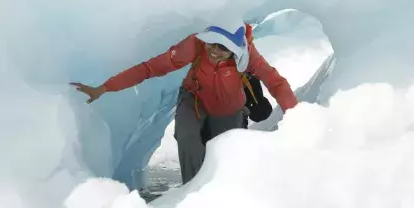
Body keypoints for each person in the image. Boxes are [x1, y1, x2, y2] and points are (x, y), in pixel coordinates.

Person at [71, 21, 298, 184]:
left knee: (226, 154)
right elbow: (150, 68)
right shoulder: (195, 45)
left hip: (230, 109)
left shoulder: (249, 56)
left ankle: (224, 198)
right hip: (194, 100)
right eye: (213, 43)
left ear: (236, 51)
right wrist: (105, 87)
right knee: (188, 136)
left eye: (223, 48)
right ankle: (193, 192)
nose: (215, 52)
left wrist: (299, 117)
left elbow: (276, 82)